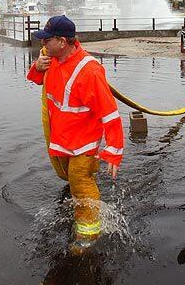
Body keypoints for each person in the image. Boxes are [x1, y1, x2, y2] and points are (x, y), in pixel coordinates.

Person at [26, 15, 124, 250]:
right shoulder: (53, 60)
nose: (42, 45)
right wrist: (37, 68)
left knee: (80, 180)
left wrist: (113, 150)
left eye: (46, 40)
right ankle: (84, 193)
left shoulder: (89, 72)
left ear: (61, 41)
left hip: (83, 142)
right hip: (62, 138)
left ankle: (88, 236)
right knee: (66, 176)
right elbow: (40, 82)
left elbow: (109, 112)